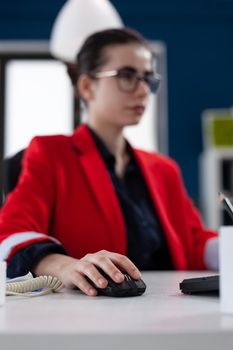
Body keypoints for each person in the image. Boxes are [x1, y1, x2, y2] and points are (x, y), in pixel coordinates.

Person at [0, 28, 218, 296]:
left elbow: (195, 241)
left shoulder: (164, 169)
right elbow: (9, 233)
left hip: (173, 308)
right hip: (91, 316)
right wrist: (65, 266)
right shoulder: (50, 153)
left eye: (147, 78)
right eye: (127, 76)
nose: (142, 91)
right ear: (87, 86)